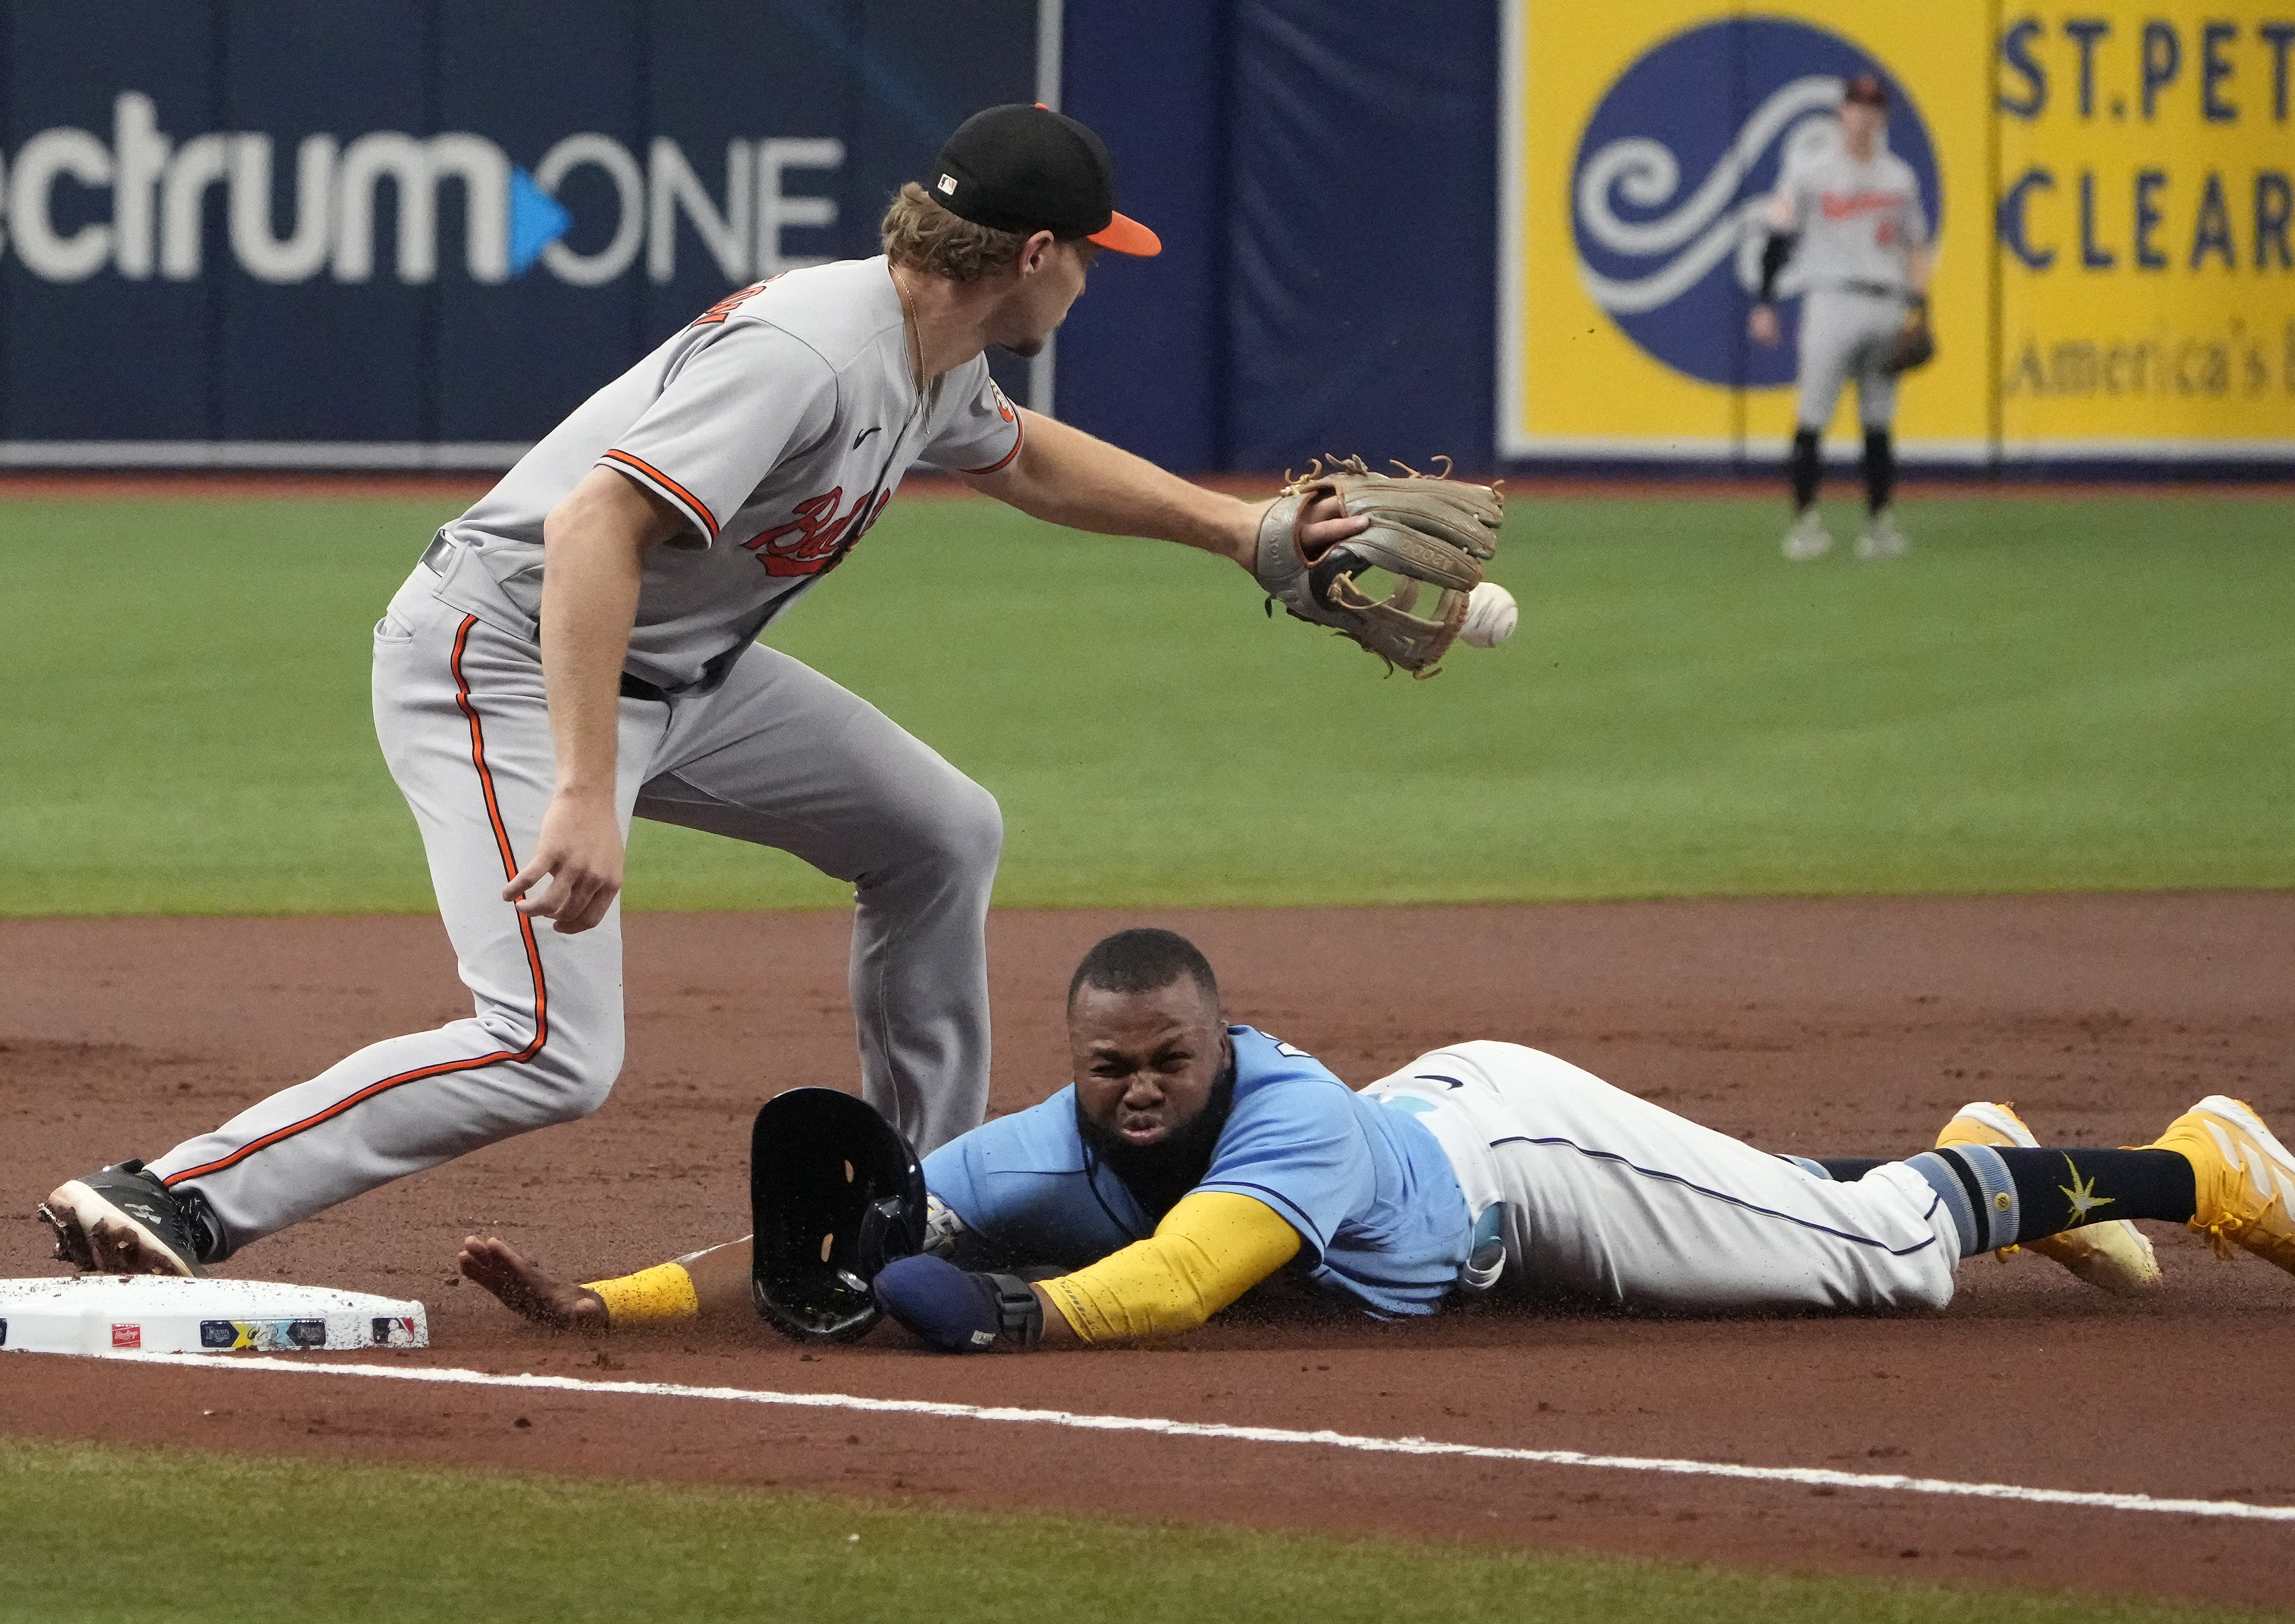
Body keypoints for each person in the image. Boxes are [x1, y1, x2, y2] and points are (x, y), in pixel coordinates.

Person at [38, 105, 1372, 1280]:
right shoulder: (811, 353)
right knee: (550, 1046)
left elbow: (1022, 460)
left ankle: (920, 1196)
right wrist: (581, 791)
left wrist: (1237, 532)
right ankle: (179, 1192)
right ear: (1032, 255)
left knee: (939, 831)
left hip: (676, 675)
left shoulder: (925, 350)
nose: (1091, 278)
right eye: (1087, 253)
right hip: (501, 659)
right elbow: (588, 531)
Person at [459, 929, 2295, 1347]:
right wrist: (605, 1296)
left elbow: (1183, 1271)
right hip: (1467, 1202)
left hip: (1515, 1154)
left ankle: (2198, 1163)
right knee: (1840, 1220)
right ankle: (1974, 1147)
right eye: (1111, 1061)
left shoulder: (1276, 1120)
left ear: (1221, 1041)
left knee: (1876, 1255)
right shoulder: (1060, 1126)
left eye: (1168, 1055)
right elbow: (856, 1223)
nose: (1137, 1087)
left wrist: (1024, 1322)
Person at [1748, 73, 1933, 563]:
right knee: (1813, 416)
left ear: (1883, 116)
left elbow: (1916, 247)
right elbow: (1778, 238)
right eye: (1857, 105)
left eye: (1873, 107)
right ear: (1842, 113)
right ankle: (1806, 522)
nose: (1864, 114)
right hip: (1830, 299)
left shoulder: (1900, 178)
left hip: (1887, 301)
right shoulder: (1811, 172)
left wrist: (1921, 307)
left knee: (1879, 421)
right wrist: (1765, 302)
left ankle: (1879, 524)